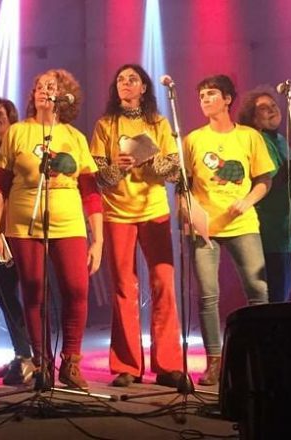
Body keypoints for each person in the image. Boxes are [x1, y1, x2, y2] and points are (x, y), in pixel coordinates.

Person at [0, 69, 103, 390]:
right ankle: (42, 363)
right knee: (33, 290)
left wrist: (98, 240)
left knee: (76, 289)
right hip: (24, 223)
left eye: (50, 87)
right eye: (39, 86)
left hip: (69, 222)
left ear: (64, 95)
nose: (43, 91)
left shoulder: (75, 137)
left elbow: (91, 192)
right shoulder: (18, 132)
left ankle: (71, 362)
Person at [90, 63, 183, 388]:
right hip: (117, 213)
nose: (126, 83)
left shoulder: (159, 122)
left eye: (133, 79)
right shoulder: (105, 124)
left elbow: (174, 171)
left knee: (164, 284)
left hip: (154, 209)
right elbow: (99, 177)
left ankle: (168, 364)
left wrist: (149, 159)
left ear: (144, 87)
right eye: (120, 79)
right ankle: (127, 365)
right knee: (123, 287)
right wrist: (118, 166)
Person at [182, 75, 273, 386]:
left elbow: (264, 180)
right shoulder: (193, 140)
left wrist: (247, 201)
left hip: (243, 224)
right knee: (208, 295)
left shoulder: (249, 136)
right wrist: (188, 212)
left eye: (211, 94)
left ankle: (259, 357)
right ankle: (214, 361)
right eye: (201, 96)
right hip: (205, 228)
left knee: (258, 291)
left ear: (227, 99)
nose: (205, 100)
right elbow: (184, 185)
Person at [0, 97, 34, 385]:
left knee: (34, 292)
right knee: (4, 292)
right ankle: (22, 353)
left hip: (26, 228)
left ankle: (36, 356)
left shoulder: (22, 144)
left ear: (11, 116)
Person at [238, 88, 291, 303]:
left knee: (284, 288)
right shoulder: (260, 140)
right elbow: (272, 179)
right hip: (270, 229)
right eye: (264, 108)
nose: (272, 110)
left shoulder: (280, 138)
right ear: (253, 118)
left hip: (286, 229)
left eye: (273, 105)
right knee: (276, 291)